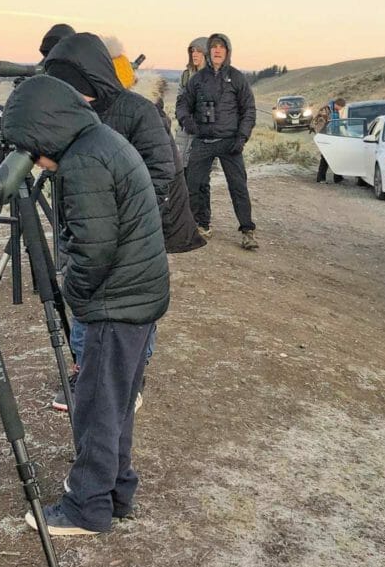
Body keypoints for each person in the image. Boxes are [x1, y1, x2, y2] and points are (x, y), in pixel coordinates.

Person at [2, 75, 170, 536]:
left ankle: (86, 508)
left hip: (116, 304)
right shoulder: (102, 140)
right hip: (138, 298)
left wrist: (73, 294)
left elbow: (92, 251)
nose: (36, 163)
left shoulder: (83, 162)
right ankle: (116, 492)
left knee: (95, 407)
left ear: (44, 131)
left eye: (31, 151)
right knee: (114, 405)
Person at [42, 32, 204, 411]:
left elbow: (161, 172)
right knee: (85, 297)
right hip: (85, 226)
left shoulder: (139, 111)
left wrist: (125, 219)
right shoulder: (76, 114)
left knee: (132, 310)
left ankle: (133, 376)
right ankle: (87, 369)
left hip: (133, 234)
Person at [175, 33, 258, 250]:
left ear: (227, 51)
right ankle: (200, 226)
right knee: (194, 185)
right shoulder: (198, 79)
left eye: (221, 47)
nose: (217, 50)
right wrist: (189, 124)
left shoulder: (237, 77)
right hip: (203, 140)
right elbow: (183, 104)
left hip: (230, 142)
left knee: (238, 187)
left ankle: (247, 230)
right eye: (214, 47)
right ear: (209, 51)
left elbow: (248, 109)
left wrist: (241, 137)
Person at [176, 37, 207, 165]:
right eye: (192, 51)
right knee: (181, 168)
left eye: (199, 51)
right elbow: (179, 100)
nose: (194, 54)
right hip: (184, 130)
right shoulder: (186, 76)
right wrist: (183, 118)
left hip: (204, 132)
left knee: (200, 173)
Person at [311, 97, 347, 184]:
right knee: (325, 158)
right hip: (326, 138)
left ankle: (338, 178)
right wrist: (323, 137)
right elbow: (320, 124)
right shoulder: (325, 110)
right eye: (341, 107)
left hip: (335, 138)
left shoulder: (335, 111)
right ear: (337, 105)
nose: (341, 109)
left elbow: (336, 123)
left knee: (337, 157)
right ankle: (320, 178)